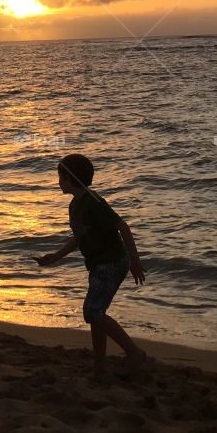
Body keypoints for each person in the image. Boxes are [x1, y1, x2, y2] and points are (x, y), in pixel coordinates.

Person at [36, 152, 147, 377]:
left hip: (113, 262)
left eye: (60, 177)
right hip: (98, 263)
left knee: (92, 312)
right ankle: (99, 365)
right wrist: (55, 257)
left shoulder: (94, 203)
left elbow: (123, 227)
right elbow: (80, 237)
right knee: (96, 312)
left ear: (69, 179)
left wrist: (135, 262)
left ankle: (135, 353)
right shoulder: (76, 205)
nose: (58, 181)